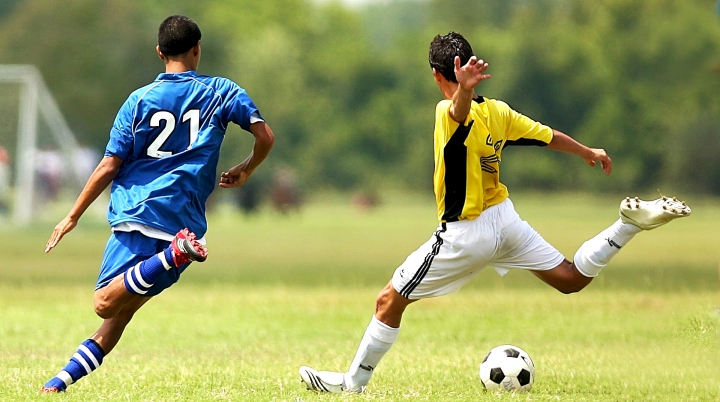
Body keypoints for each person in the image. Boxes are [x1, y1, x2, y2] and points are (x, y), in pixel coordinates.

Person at [298, 31, 690, 394]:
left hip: (466, 233)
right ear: (468, 65)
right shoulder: (498, 111)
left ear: (437, 74)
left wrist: (462, 92)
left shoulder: (445, 110)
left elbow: (456, 113)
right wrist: (587, 151)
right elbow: (546, 135)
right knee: (570, 278)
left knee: (388, 301)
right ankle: (625, 226)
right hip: (505, 219)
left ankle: (353, 384)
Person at [41, 15, 274, 393]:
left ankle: (171, 255)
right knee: (118, 317)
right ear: (198, 49)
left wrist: (72, 216)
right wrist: (246, 169)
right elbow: (265, 136)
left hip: (139, 214)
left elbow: (109, 165)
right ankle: (58, 384)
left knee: (104, 303)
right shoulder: (222, 91)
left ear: (159, 52)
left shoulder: (138, 101)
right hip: (184, 220)